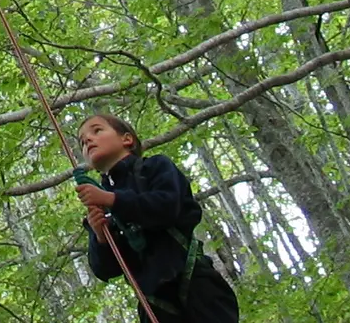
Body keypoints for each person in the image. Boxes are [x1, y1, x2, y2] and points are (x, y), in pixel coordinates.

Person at [74, 113, 240, 322]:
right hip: (153, 305)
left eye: (97, 131)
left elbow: (167, 206)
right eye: (82, 142)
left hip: (197, 288)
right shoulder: (98, 205)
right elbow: (105, 269)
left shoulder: (153, 168)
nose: (87, 140)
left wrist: (113, 200)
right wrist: (100, 237)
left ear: (127, 139)